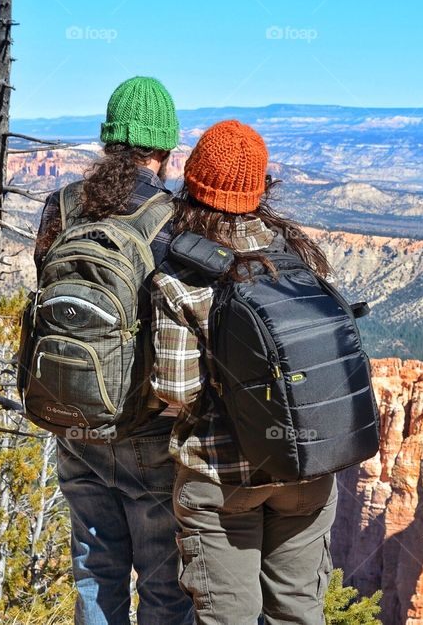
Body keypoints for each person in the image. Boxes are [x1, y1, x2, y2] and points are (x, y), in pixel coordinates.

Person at [149, 120, 337, 625]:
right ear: (261, 188)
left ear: (192, 183)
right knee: (299, 611)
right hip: (308, 466)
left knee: (228, 617)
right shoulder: (299, 255)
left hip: (222, 477)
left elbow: (179, 392)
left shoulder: (180, 276)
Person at [33, 76, 193, 624]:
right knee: (164, 585)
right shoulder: (172, 219)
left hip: (71, 414)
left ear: (108, 142)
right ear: (165, 151)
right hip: (145, 425)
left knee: (95, 574)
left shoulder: (62, 205)